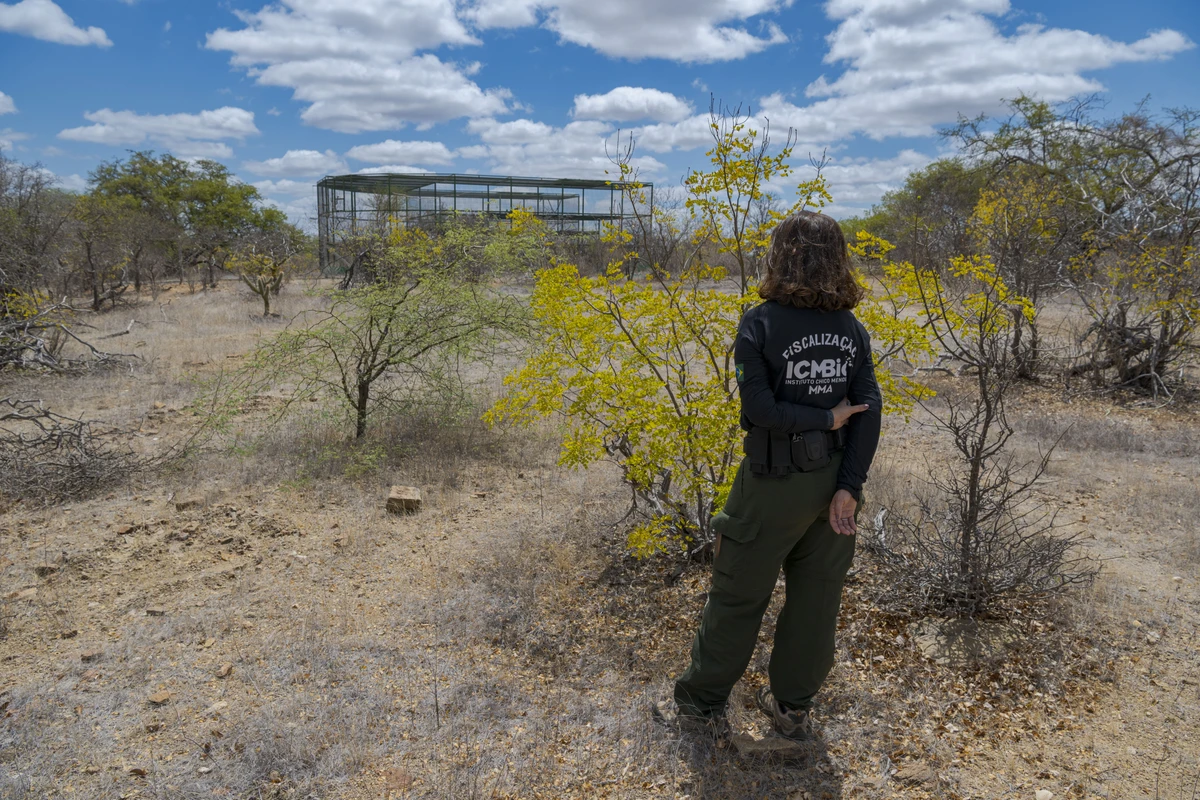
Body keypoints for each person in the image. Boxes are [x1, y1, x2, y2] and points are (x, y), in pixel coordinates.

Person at [658, 210, 882, 740]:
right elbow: (869, 410)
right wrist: (850, 485)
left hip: (772, 483)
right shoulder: (852, 330)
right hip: (832, 485)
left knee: (737, 596)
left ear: (782, 255)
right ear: (837, 258)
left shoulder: (759, 322)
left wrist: (824, 422)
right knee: (817, 600)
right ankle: (792, 710)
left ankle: (700, 705)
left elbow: (759, 409)